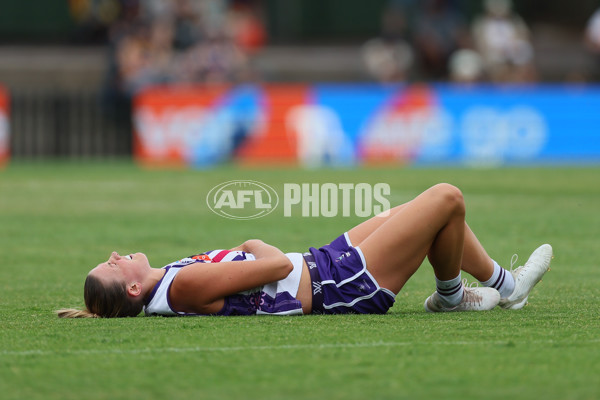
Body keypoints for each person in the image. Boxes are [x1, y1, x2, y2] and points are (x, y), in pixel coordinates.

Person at [57, 183, 553, 318]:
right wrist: (251, 242)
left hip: (324, 265)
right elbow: (270, 264)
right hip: (339, 286)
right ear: (133, 287)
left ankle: (462, 293)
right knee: (446, 198)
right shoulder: (181, 287)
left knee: (411, 210)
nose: (117, 253)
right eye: (113, 265)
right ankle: (498, 288)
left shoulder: (170, 281)